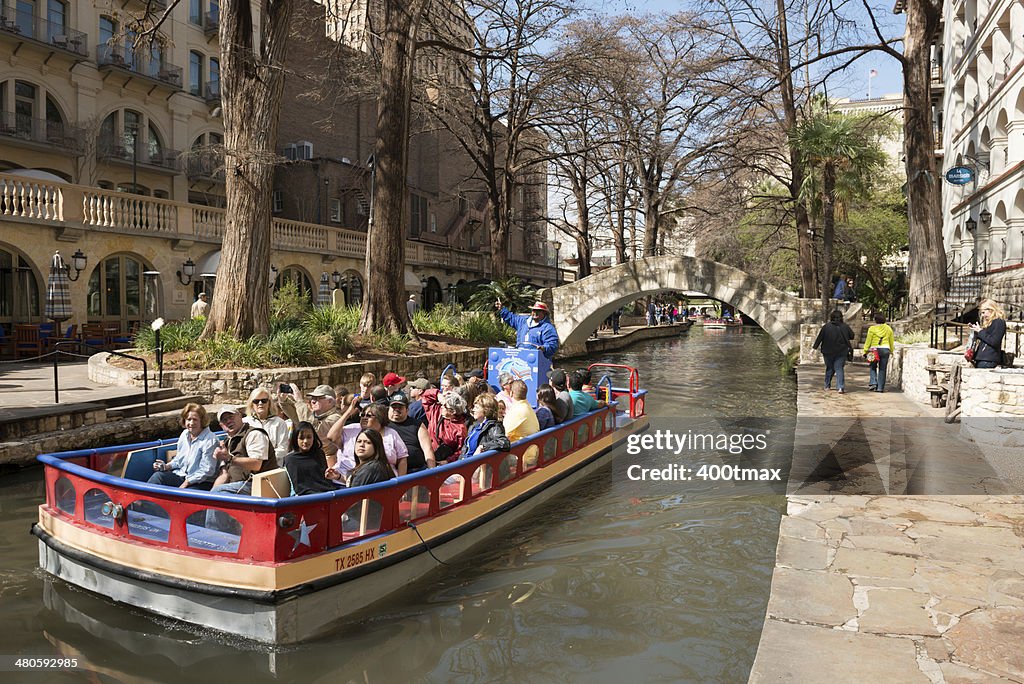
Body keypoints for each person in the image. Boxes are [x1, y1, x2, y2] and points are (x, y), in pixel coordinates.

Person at [328, 402, 408, 478]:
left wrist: (400, 482)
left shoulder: (391, 434)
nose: (364, 418)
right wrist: (348, 412)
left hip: (380, 482)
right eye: (362, 415)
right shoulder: (352, 429)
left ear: (380, 418)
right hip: (342, 479)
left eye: (369, 416)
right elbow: (331, 437)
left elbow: (402, 459)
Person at [148, 403, 218, 489]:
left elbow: (207, 470)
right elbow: (179, 460)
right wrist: (166, 466)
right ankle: (141, 502)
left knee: (185, 496)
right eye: (189, 419)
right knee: (158, 476)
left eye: (195, 419)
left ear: (202, 421)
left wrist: (186, 483)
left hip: (201, 482)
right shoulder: (185, 434)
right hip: (182, 476)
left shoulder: (210, 440)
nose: (191, 423)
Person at [210, 405, 275, 495]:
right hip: (234, 487)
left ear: (240, 416)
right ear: (221, 425)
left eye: (231, 417)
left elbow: (256, 464)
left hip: (257, 485)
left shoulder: (254, 434)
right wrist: (209, 497)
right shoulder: (226, 442)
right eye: (224, 420)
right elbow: (224, 475)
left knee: (219, 492)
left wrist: (230, 459)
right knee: (212, 495)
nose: (228, 421)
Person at [280, 384, 343, 467]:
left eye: (318, 398)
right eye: (312, 398)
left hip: (325, 464)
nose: (313, 401)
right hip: (309, 459)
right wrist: (284, 401)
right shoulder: (313, 416)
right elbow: (296, 416)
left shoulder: (336, 418)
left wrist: (299, 401)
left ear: (330, 401)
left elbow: (312, 428)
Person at [328, 429, 395, 488]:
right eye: (359, 441)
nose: (362, 445)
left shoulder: (371, 468)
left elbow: (355, 494)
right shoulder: (372, 465)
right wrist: (339, 477)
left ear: (376, 447)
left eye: (368, 442)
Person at [283, 421, 336, 495]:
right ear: (296, 439)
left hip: (326, 494)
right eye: (301, 438)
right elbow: (299, 487)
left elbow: (325, 480)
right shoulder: (291, 459)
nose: (305, 441)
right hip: (306, 498)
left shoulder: (320, 454)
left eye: (309, 437)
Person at [388, 392, 435, 473]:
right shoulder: (383, 425)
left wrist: (432, 471)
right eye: (394, 407)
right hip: (391, 471)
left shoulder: (417, 424)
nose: (396, 410)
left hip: (417, 471)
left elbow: (428, 450)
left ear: (407, 410)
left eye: (400, 407)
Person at [812, 310, 855, 393]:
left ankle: (827, 385)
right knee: (839, 368)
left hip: (828, 351)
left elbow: (819, 338)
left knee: (829, 368)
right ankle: (840, 387)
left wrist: (813, 349)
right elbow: (852, 336)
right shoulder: (845, 326)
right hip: (841, 351)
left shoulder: (826, 327)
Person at [244, 387, 290, 464]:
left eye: (264, 401)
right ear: (252, 404)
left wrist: (262, 459)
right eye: (256, 401)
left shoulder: (279, 423)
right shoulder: (245, 422)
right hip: (249, 466)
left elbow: (283, 449)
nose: (260, 403)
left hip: (273, 466)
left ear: (269, 403)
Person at [422, 389, 469, 464]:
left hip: (443, 463)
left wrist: (448, 461)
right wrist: (438, 395)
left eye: (444, 406)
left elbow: (460, 451)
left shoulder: (461, 428)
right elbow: (425, 397)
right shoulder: (435, 412)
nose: (441, 407)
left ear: (453, 411)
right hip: (427, 456)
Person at [863, 313, 896, 392]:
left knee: (872, 366)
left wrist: (865, 350)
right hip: (885, 349)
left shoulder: (872, 329)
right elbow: (891, 341)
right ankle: (880, 388)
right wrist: (891, 350)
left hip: (874, 350)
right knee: (882, 369)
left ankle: (873, 383)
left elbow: (868, 340)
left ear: (875, 320)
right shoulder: (888, 328)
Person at [970, 298, 1007, 369]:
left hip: (988, 360)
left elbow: (994, 341)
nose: (983, 315)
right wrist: (976, 331)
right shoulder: (990, 323)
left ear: (991, 310)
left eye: (984, 312)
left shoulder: (999, 322)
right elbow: (985, 338)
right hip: (982, 359)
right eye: (981, 313)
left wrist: (980, 331)